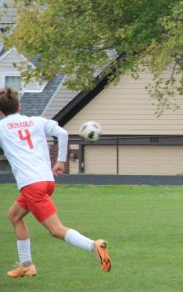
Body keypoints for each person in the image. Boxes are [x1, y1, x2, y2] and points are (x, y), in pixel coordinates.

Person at [0, 87, 110, 278]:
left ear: (0, 112)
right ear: (19, 106)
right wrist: (60, 161)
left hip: (31, 185)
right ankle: (26, 265)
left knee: (56, 230)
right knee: (14, 216)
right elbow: (63, 134)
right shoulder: (36, 121)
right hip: (46, 181)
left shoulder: (1, 128)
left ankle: (94, 246)